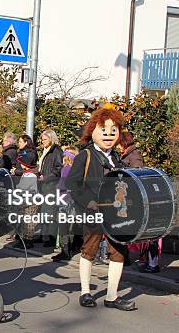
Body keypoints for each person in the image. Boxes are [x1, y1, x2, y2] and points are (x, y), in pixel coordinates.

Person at [66, 105, 136, 311]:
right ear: (92, 131)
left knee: (118, 252)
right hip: (93, 212)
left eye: (113, 130)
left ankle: (112, 296)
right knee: (89, 250)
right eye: (103, 129)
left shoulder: (117, 159)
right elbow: (72, 184)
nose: (108, 134)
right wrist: (87, 201)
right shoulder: (84, 156)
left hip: (115, 214)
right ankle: (85, 292)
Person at [51, 146, 79, 262]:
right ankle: (71, 249)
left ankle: (65, 251)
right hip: (73, 200)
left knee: (63, 227)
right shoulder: (77, 169)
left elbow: (64, 184)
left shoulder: (66, 168)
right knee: (71, 227)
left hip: (64, 199)